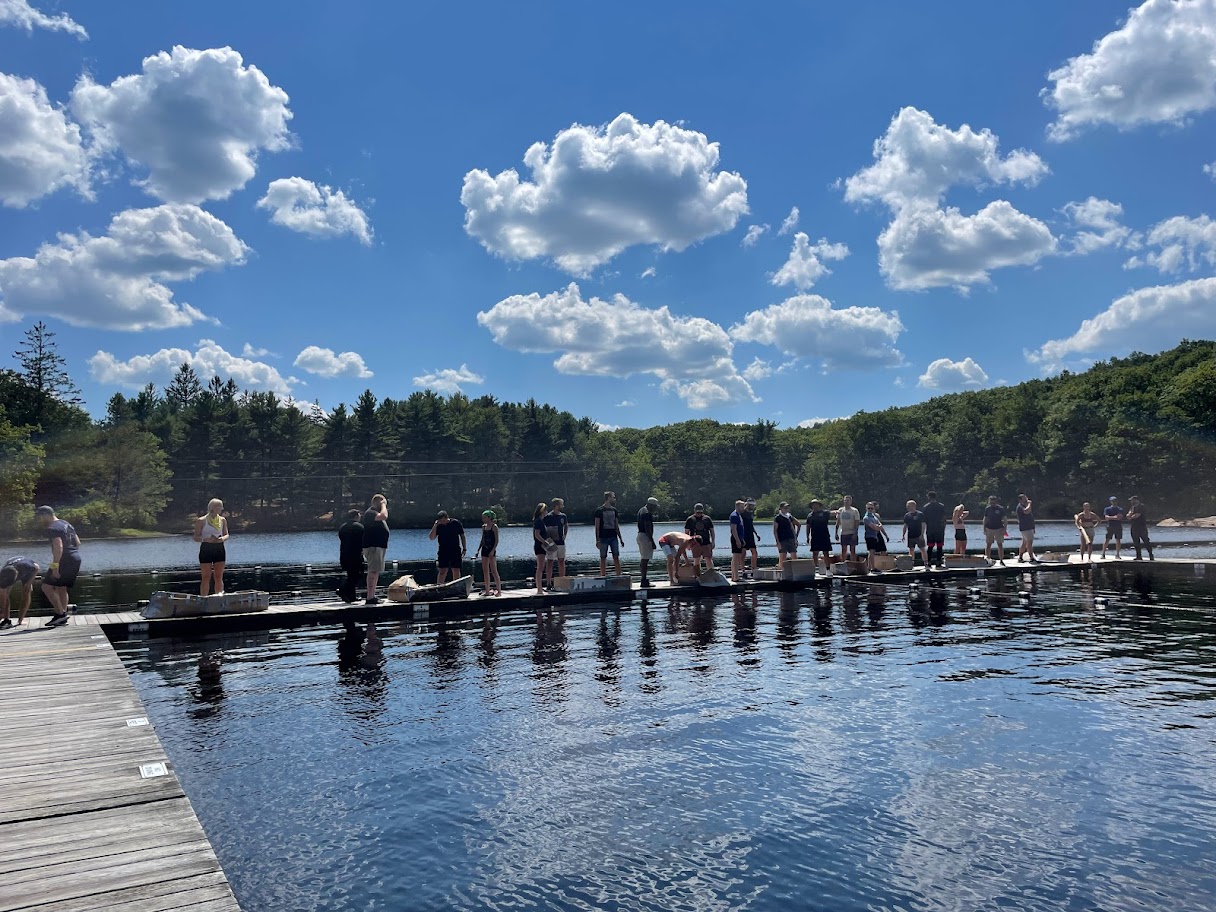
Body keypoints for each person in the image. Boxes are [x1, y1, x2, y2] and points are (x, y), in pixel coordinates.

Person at [35, 506, 80, 627]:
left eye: (40, 517)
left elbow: (58, 547)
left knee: (46, 587)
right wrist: (71, 554)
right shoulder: (66, 524)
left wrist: (55, 566)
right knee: (61, 587)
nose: (40, 520)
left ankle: (60, 614)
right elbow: (78, 542)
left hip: (64, 559)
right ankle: (62, 615)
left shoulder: (52, 528)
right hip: (75, 557)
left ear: (46, 515)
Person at [192, 498, 229, 596]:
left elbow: (226, 534)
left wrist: (222, 539)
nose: (221, 509)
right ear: (212, 507)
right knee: (206, 576)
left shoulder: (222, 520)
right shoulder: (201, 520)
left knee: (218, 576)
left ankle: (220, 598)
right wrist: (205, 539)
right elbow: (195, 537)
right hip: (206, 549)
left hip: (219, 548)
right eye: (219, 506)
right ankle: (204, 598)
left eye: (221, 506)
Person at [361, 494, 389, 605]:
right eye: (382, 503)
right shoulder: (370, 513)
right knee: (372, 571)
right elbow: (384, 516)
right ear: (378, 502)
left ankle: (372, 595)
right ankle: (370, 597)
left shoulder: (374, 513)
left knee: (375, 571)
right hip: (373, 547)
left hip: (378, 546)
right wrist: (383, 504)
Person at [0, 557, 40, 629]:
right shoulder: (3, 571)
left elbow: (37, 567)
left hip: (27, 573)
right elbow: (3, 594)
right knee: (5, 593)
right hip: (10, 571)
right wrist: (2, 610)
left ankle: (20, 620)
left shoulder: (28, 566)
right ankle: (6, 620)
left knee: (27, 591)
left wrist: (29, 582)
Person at [429, 510, 466, 584]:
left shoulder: (456, 523)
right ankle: (439, 587)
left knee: (456, 570)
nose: (443, 522)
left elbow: (462, 536)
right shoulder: (438, 526)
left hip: (455, 549)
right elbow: (431, 537)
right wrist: (435, 525)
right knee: (442, 570)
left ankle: (456, 586)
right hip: (443, 550)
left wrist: (464, 548)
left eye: (443, 520)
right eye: (441, 521)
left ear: (447, 517)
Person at [593, 492, 625, 577]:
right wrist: (597, 540)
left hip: (613, 537)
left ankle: (619, 575)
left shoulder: (614, 510)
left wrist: (621, 539)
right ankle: (603, 575)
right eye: (613, 497)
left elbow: (616, 525)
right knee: (603, 557)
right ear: (608, 498)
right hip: (603, 538)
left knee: (616, 556)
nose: (614, 499)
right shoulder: (599, 511)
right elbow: (597, 527)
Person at [337, 509, 365, 603]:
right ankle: (343, 590)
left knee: (350, 575)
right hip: (355, 554)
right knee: (357, 575)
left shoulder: (342, 527)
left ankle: (352, 596)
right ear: (356, 516)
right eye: (359, 515)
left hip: (344, 554)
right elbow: (364, 540)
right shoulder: (359, 527)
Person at [685, 504, 716, 573]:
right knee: (696, 560)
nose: (699, 514)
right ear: (694, 511)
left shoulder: (707, 519)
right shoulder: (690, 519)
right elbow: (686, 533)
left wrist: (713, 542)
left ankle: (711, 574)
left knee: (708, 559)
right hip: (695, 544)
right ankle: (698, 575)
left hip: (706, 543)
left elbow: (712, 531)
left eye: (700, 512)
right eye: (697, 512)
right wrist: (687, 544)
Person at [921, 492, 949, 569]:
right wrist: (944, 527)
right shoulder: (941, 506)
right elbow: (944, 518)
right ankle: (938, 562)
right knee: (939, 546)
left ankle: (929, 562)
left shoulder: (926, 507)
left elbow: (924, 520)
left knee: (930, 546)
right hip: (939, 529)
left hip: (930, 529)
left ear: (929, 497)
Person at [543, 498, 569, 580]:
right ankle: (548, 583)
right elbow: (542, 528)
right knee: (550, 562)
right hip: (551, 542)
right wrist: (546, 540)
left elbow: (566, 525)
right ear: (557, 505)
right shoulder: (548, 517)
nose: (563, 506)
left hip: (561, 542)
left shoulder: (563, 516)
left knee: (561, 561)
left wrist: (565, 535)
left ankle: (562, 580)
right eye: (561, 504)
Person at [637, 497, 660, 587]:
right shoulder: (647, 513)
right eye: (654, 507)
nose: (655, 509)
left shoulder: (641, 510)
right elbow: (647, 528)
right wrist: (652, 541)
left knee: (643, 558)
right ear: (651, 505)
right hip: (645, 537)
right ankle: (644, 581)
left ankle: (643, 579)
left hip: (640, 535)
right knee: (645, 560)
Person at [477, 510, 501, 596]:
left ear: (489, 518)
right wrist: (478, 550)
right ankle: (487, 590)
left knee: (494, 570)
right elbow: (482, 540)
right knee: (485, 571)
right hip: (484, 549)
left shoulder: (494, 527)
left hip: (491, 550)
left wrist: (493, 550)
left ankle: (499, 591)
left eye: (484, 517)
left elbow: (496, 540)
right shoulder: (483, 527)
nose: (483, 519)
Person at [805, 499, 833, 572]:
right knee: (815, 553)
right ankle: (815, 569)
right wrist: (807, 537)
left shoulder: (825, 513)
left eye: (816, 504)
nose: (815, 506)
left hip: (825, 536)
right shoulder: (810, 516)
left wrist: (838, 512)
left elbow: (833, 513)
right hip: (815, 536)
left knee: (826, 553)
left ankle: (828, 569)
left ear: (819, 505)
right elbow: (808, 527)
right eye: (813, 504)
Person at [531, 502, 553, 594]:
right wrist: (545, 542)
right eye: (545, 510)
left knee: (541, 567)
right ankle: (539, 589)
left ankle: (540, 588)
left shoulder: (541, 521)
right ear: (542, 511)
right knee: (540, 568)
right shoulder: (538, 521)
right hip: (540, 546)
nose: (547, 512)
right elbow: (537, 534)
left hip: (542, 546)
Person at [901, 500, 929, 570]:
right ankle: (911, 564)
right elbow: (905, 526)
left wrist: (922, 534)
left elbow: (923, 524)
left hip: (919, 535)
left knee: (922, 549)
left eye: (908, 506)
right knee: (911, 550)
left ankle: (926, 563)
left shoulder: (920, 514)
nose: (907, 507)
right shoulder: (907, 515)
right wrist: (903, 535)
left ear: (913, 506)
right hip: (911, 535)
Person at [863, 502, 889, 573]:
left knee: (873, 551)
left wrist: (880, 528)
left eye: (872, 508)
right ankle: (872, 568)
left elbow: (880, 524)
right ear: (866, 509)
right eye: (869, 508)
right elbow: (874, 527)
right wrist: (878, 527)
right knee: (871, 551)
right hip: (869, 536)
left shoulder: (874, 517)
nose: (870, 509)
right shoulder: (866, 518)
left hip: (875, 536)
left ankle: (873, 566)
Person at [772, 502, 799, 569]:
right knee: (782, 555)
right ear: (781, 508)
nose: (786, 509)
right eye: (785, 508)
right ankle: (781, 569)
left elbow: (796, 526)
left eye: (787, 508)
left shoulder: (789, 516)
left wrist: (795, 538)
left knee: (794, 554)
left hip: (791, 538)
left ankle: (796, 569)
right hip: (782, 539)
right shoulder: (777, 518)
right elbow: (775, 531)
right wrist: (777, 542)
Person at [1126, 496, 1154, 561]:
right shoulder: (1132, 507)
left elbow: (1136, 515)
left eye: (1132, 500)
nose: (1131, 502)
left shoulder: (1141, 506)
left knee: (1146, 541)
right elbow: (1128, 515)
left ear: (1136, 500)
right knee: (1136, 542)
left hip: (1141, 527)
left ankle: (1151, 555)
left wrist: (1131, 516)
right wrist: (1130, 516)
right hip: (1134, 526)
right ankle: (1138, 556)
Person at [835, 495, 861, 562]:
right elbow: (837, 522)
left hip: (852, 532)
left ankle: (853, 563)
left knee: (852, 550)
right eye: (845, 500)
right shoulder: (840, 510)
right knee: (843, 550)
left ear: (851, 502)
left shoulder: (854, 510)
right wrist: (836, 533)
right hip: (843, 532)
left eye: (848, 500)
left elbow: (857, 522)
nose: (846, 502)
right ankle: (843, 563)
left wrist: (855, 533)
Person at [982, 495, 1007, 565]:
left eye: (993, 502)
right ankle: (987, 559)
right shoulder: (987, 509)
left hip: (999, 528)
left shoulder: (1000, 509)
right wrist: (984, 528)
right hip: (989, 528)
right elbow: (985, 518)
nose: (992, 504)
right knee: (988, 545)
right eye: (991, 502)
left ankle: (1001, 560)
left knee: (1000, 544)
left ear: (996, 501)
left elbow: (1005, 519)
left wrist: (1005, 529)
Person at [1015, 493, 1039, 563]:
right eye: (1024, 498)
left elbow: (1030, 517)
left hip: (1029, 527)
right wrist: (1029, 504)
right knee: (1029, 543)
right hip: (1025, 528)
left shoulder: (1025, 506)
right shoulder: (1020, 507)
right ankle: (1031, 558)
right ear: (1020, 500)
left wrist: (1033, 527)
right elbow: (1026, 511)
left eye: (1026, 498)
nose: (1026, 499)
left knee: (1024, 543)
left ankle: (1020, 557)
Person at [728, 500, 747, 582]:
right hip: (736, 538)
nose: (743, 508)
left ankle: (734, 576)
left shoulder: (739, 515)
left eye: (743, 507)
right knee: (736, 557)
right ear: (737, 507)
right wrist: (738, 540)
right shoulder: (734, 516)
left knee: (736, 557)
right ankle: (735, 577)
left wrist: (742, 539)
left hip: (739, 538)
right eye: (741, 507)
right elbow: (734, 529)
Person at [742, 499, 760, 576]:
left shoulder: (751, 513)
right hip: (744, 535)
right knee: (743, 553)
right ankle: (743, 570)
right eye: (752, 505)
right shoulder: (742, 513)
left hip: (750, 535)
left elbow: (751, 525)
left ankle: (753, 568)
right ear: (748, 505)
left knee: (754, 552)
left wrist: (756, 534)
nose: (753, 507)